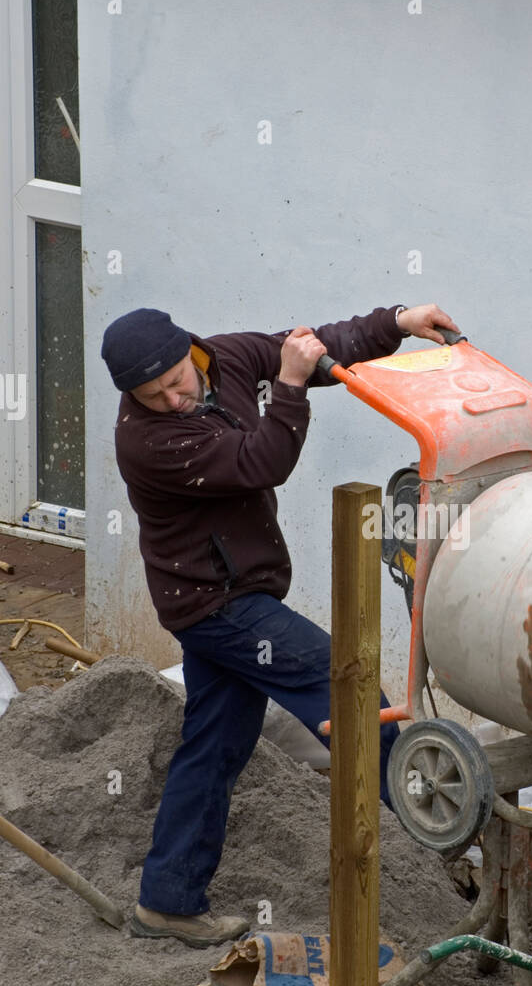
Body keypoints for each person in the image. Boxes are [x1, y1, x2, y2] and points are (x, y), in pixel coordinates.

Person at [102, 300, 459, 947]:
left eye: (177, 381)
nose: (174, 400)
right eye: (152, 395)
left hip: (232, 590)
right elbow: (262, 462)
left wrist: (398, 323)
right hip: (220, 607)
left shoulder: (225, 355)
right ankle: (430, 829)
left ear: (190, 350)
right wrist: (292, 387)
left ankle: (168, 900)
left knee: (214, 745)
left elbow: (313, 346)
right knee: (345, 685)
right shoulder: (150, 441)